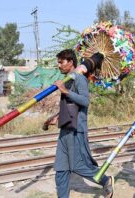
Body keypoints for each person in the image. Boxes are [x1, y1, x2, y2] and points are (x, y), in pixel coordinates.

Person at [45, 49, 114, 198]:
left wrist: (65, 91)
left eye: (61, 62)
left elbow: (85, 101)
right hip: (65, 129)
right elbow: (71, 105)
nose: (59, 65)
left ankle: (105, 180)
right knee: (61, 169)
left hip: (76, 129)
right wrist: (57, 117)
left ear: (70, 62)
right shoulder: (68, 80)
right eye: (58, 62)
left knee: (78, 166)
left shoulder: (79, 78)